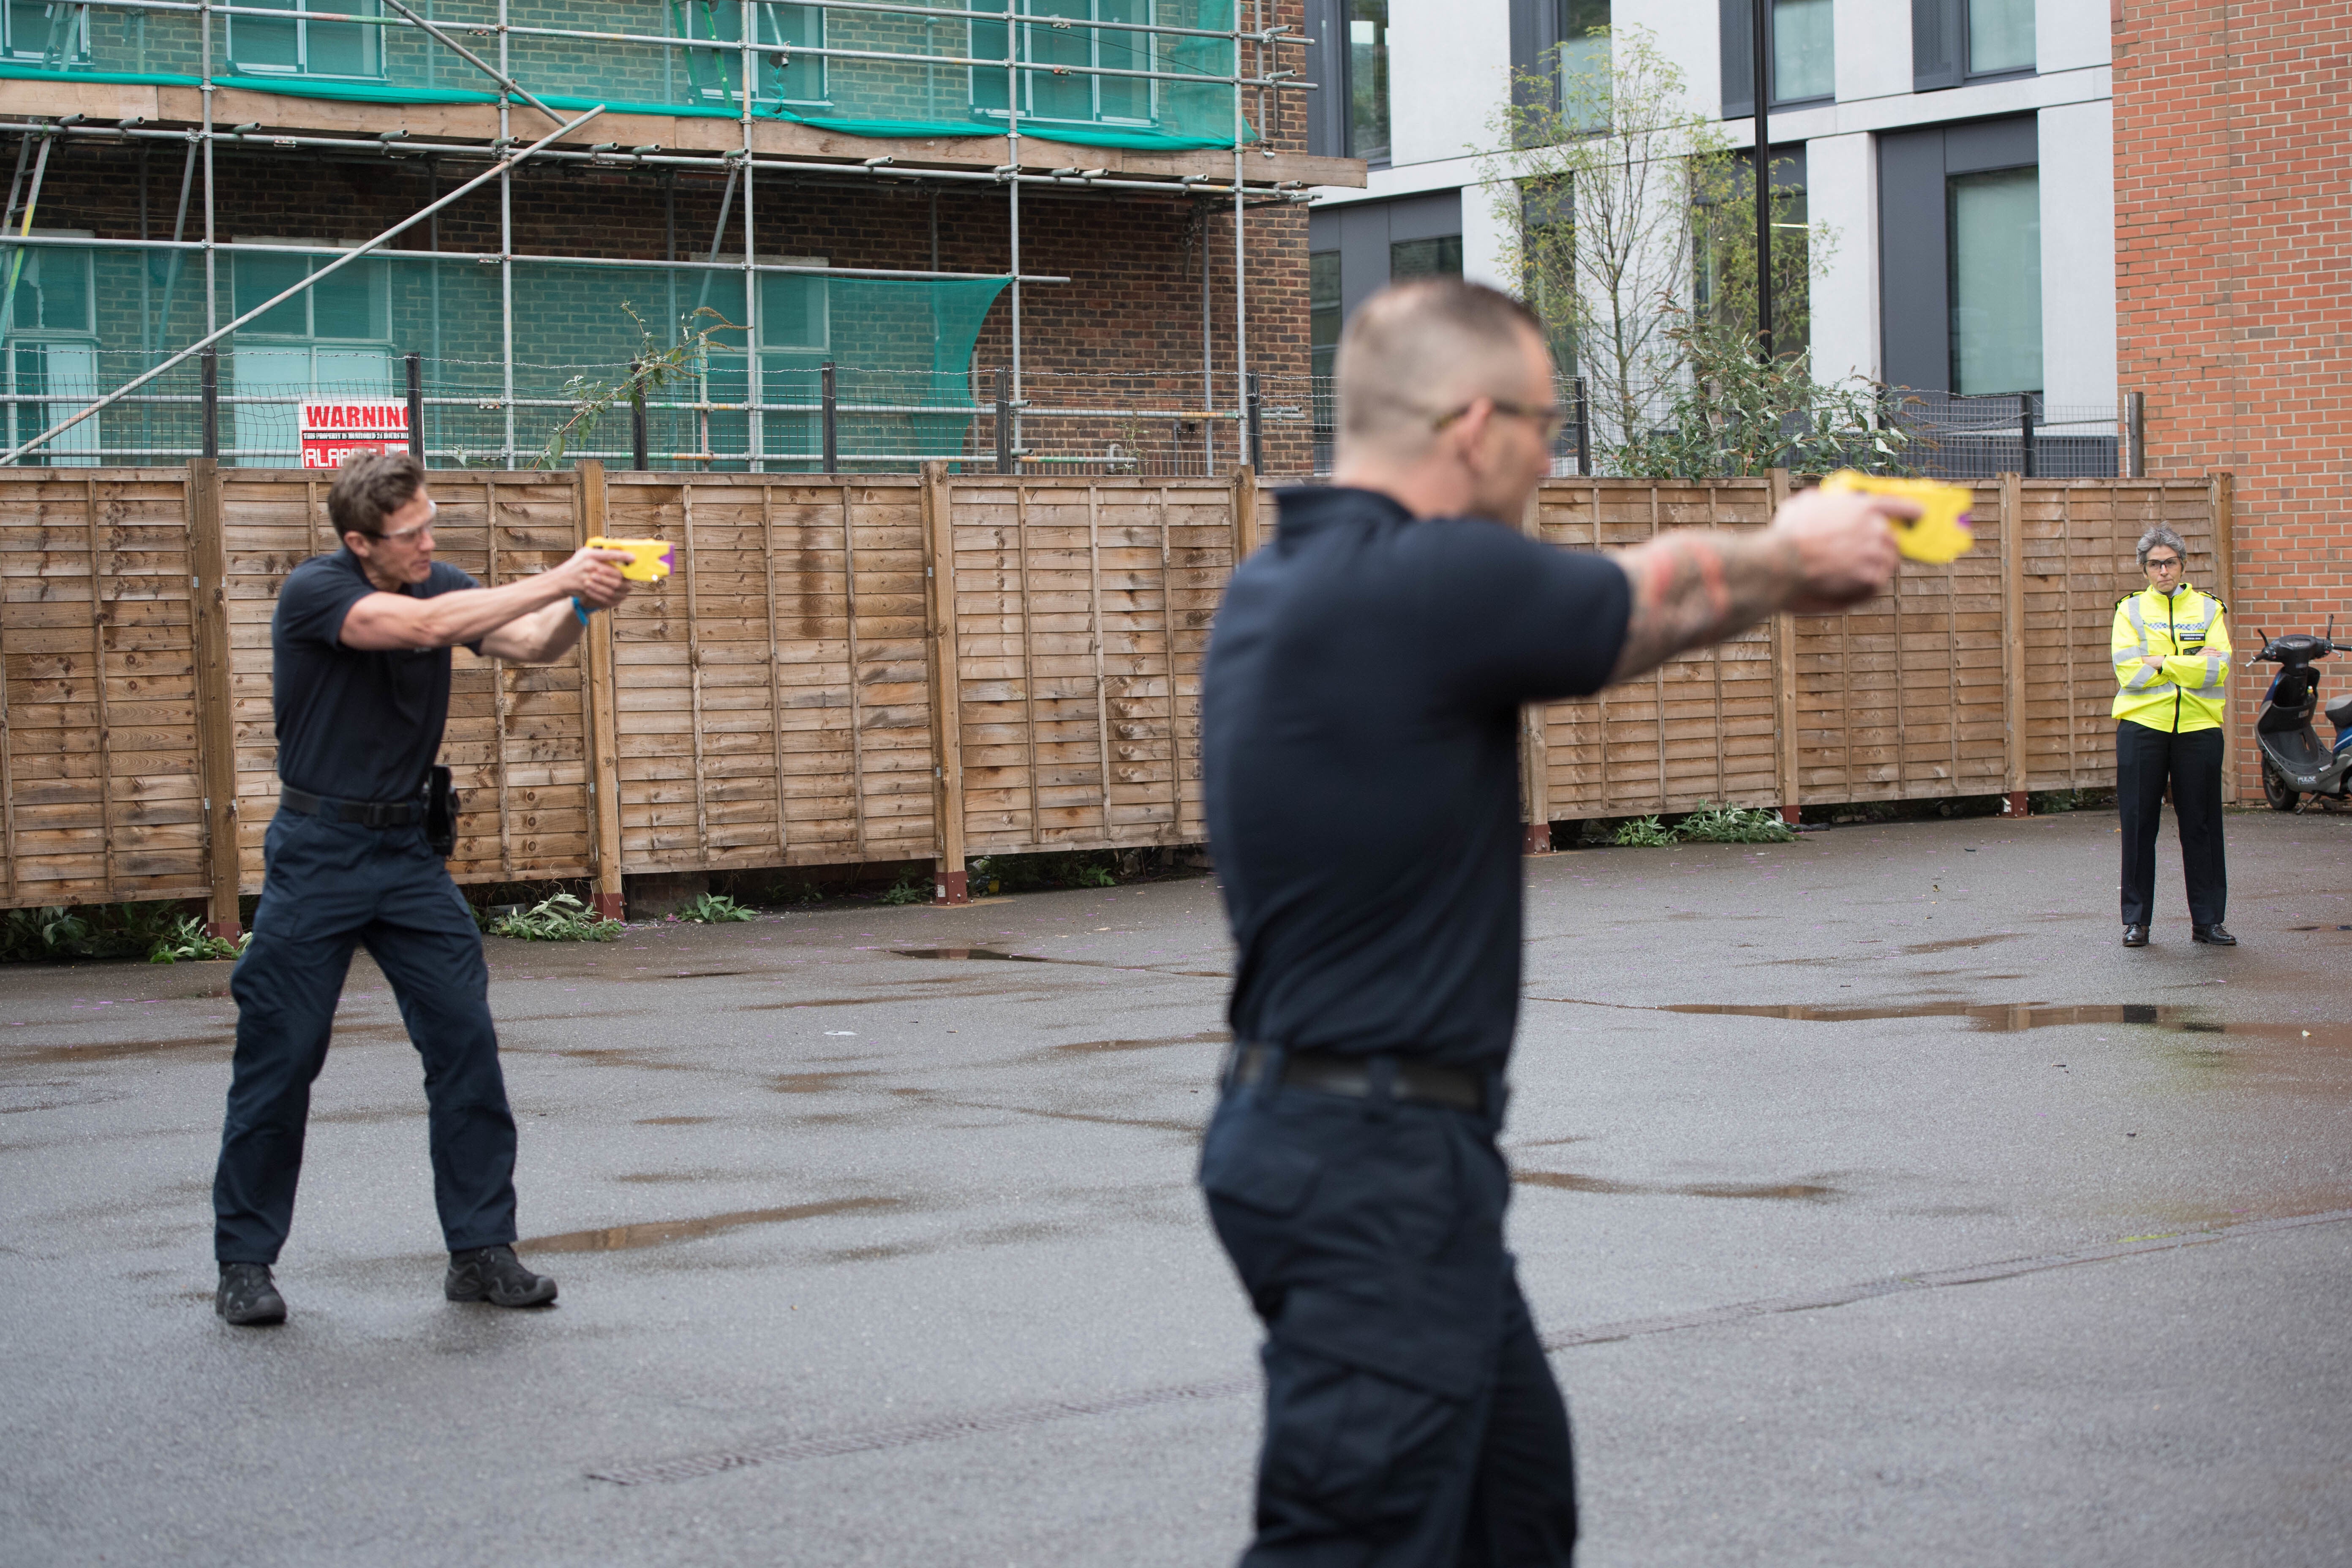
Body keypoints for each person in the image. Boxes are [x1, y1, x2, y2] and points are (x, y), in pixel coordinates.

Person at [1196, 277, 1909, 1567]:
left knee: (1510, 1509)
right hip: (1370, 1162)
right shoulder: (1421, 580)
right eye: (1544, 424)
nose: (1547, 456)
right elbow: (1650, 599)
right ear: (1474, 426)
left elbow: (1617, 612)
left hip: (1340, 1143)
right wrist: (1798, 547)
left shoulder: (1282, 582)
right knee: (1350, 1543)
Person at [212, 452, 634, 1327]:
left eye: (430, 523)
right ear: (361, 541)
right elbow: (417, 628)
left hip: (407, 853)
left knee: (465, 1045)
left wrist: (583, 605)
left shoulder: (438, 578)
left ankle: (481, 1251)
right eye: (412, 534)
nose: (429, 543)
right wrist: (558, 572)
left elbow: (525, 642)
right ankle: (245, 1261)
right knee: (282, 1055)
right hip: (319, 851)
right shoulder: (317, 594)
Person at [2110, 526, 2234, 949]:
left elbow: (2219, 668)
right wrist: (2188, 663)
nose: (2163, 571)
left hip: (2199, 728)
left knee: (2201, 825)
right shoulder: (2129, 611)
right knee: (2139, 825)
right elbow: (2130, 672)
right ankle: (2136, 921)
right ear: (2144, 569)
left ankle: (2209, 921)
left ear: (2183, 564)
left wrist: (2161, 661)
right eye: (2154, 564)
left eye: (2170, 562)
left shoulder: (2208, 609)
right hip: (2143, 728)